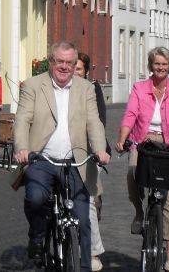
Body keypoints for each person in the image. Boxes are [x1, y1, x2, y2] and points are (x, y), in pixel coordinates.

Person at [14, 41, 110, 272]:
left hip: (76, 161)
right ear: (51, 62)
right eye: (60, 62)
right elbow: (22, 119)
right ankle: (37, 236)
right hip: (42, 159)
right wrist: (22, 148)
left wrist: (99, 149)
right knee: (35, 199)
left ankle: (84, 267)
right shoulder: (33, 85)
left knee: (84, 220)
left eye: (70, 63)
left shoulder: (85, 88)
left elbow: (93, 122)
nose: (65, 67)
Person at [115, 47, 169, 272]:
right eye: (157, 63)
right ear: (151, 65)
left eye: (164, 64)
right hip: (143, 142)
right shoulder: (140, 88)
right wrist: (122, 139)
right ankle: (140, 213)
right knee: (132, 175)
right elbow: (130, 114)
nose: (160, 67)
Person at [75, 52, 108, 271]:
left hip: (87, 151)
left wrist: (99, 149)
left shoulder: (92, 89)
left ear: (86, 71)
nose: (75, 72)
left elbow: (100, 121)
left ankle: (93, 251)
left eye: (79, 68)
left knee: (88, 205)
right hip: (62, 153)